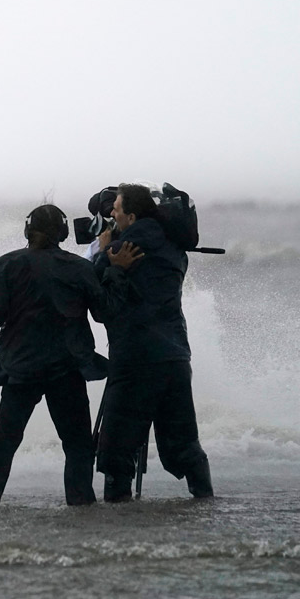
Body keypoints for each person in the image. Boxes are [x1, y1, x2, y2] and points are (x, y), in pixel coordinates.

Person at [0, 204, 142, 506]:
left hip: (19, 370)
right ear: (62, 233)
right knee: (77, 447)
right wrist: (115, 270)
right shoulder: (80, 268)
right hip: (67, 369)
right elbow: (104, 312)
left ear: (27, 231)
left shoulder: (1, 267)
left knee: (4, 446)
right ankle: (80, 507)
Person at [92, 183, 214, 501]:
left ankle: (117, 520)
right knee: (184, 444)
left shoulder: (126, 246)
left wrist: (103, 251)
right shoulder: (174, 245)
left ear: (131, 216)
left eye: (115, 210)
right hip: (174, 356)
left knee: (117, 452)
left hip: (135, 358)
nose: (112, 215)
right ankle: (206, 503)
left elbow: (99, 298)